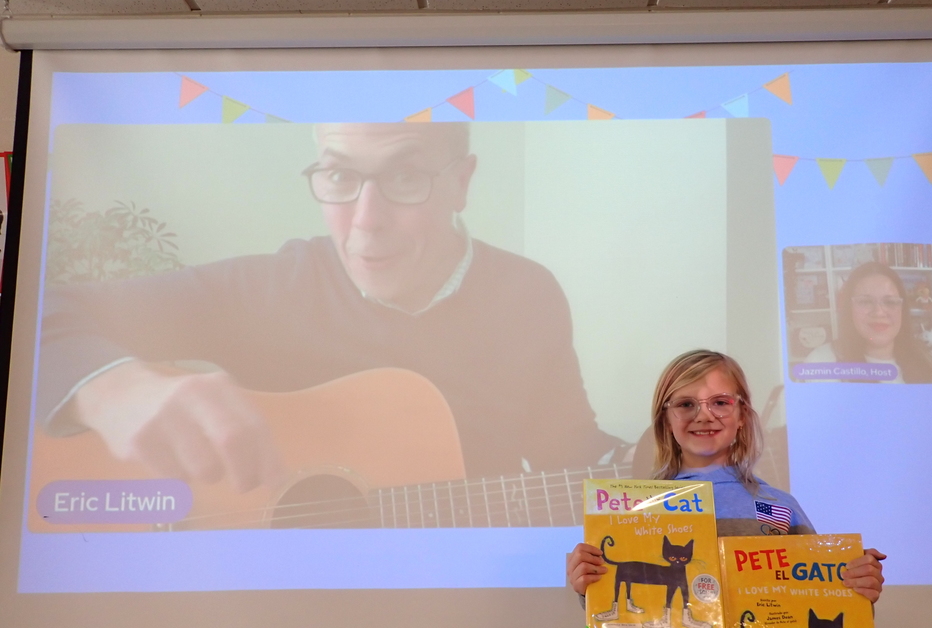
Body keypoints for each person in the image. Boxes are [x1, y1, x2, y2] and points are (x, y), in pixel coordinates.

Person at [38, 121, 623, 505]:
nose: (366, 219)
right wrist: (111, 388)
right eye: (340, 175)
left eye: (404, 175)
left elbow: (566, 452)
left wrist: (659, 461)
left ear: (461, 182)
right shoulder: (267, 289)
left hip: (465, 607)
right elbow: (45, 308)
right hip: (279, 621)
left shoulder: (527, 294)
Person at [567, 350, 885, 628]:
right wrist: (586, 582)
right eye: (685, 404)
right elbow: (617, 606)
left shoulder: (776, 506)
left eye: (720, 402)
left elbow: (824, 597)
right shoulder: (636, 508)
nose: (704, 415)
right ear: (665, 419)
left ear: (742, 415)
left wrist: (858, 587)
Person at [804, 260, 932, 383]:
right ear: (849, 309)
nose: (879, 312)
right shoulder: (820, 363)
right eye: (865, 301)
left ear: (902, 310)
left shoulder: (930, 362)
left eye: (890, 302)